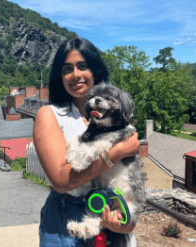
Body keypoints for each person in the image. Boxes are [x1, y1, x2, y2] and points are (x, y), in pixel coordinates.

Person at [33, 37, 140, 247]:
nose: (76, 75)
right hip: (66, 220)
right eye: (67, 69)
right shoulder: (50, 115)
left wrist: (127, 220)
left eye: (83, 66)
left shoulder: (112, 114)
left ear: (95, 71)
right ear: (59, 76)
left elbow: (128, 176)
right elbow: (61, 181)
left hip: (109, 212)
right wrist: (116, 152)